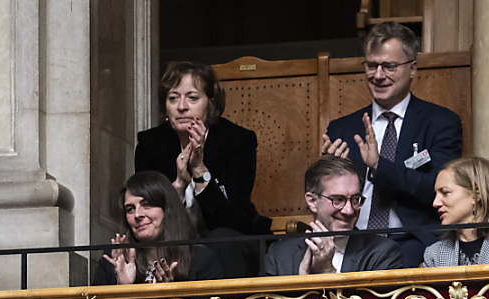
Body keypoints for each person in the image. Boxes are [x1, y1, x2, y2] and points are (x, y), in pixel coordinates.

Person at [322, 22, 463, 269]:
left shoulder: (440, 123)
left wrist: (379, 166)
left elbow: (437, 189)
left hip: (413, 242)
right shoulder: (341, 129)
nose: (378, 75)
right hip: (354, 241)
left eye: (389, 66)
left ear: (412, 69)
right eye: (371, 65)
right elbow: (323, 196)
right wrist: (328, 171)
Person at [135, 61, 270, 277]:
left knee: (222, 240)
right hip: (173, 245)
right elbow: (146, 215)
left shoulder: (238, 142)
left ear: (211, 104)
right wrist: (178, 186)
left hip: (232, 243)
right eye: (173, 98)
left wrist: (199, 171)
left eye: (192, 98)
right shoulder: (150, 145)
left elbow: (231, 220)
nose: (181, 106)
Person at [263, 157, 403, 277]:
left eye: (355, 199)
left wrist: (327, 272)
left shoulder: (382, 253)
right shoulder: (279, 255)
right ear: (312, 201)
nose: (349, 211)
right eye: (338, 200)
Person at [92, 171, 224, 285]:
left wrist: (168, 297)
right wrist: (123, 289)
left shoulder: (201, 260)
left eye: (147, 205)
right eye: (130, 209)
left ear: (167, 210)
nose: (137, 214)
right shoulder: (113, 262)